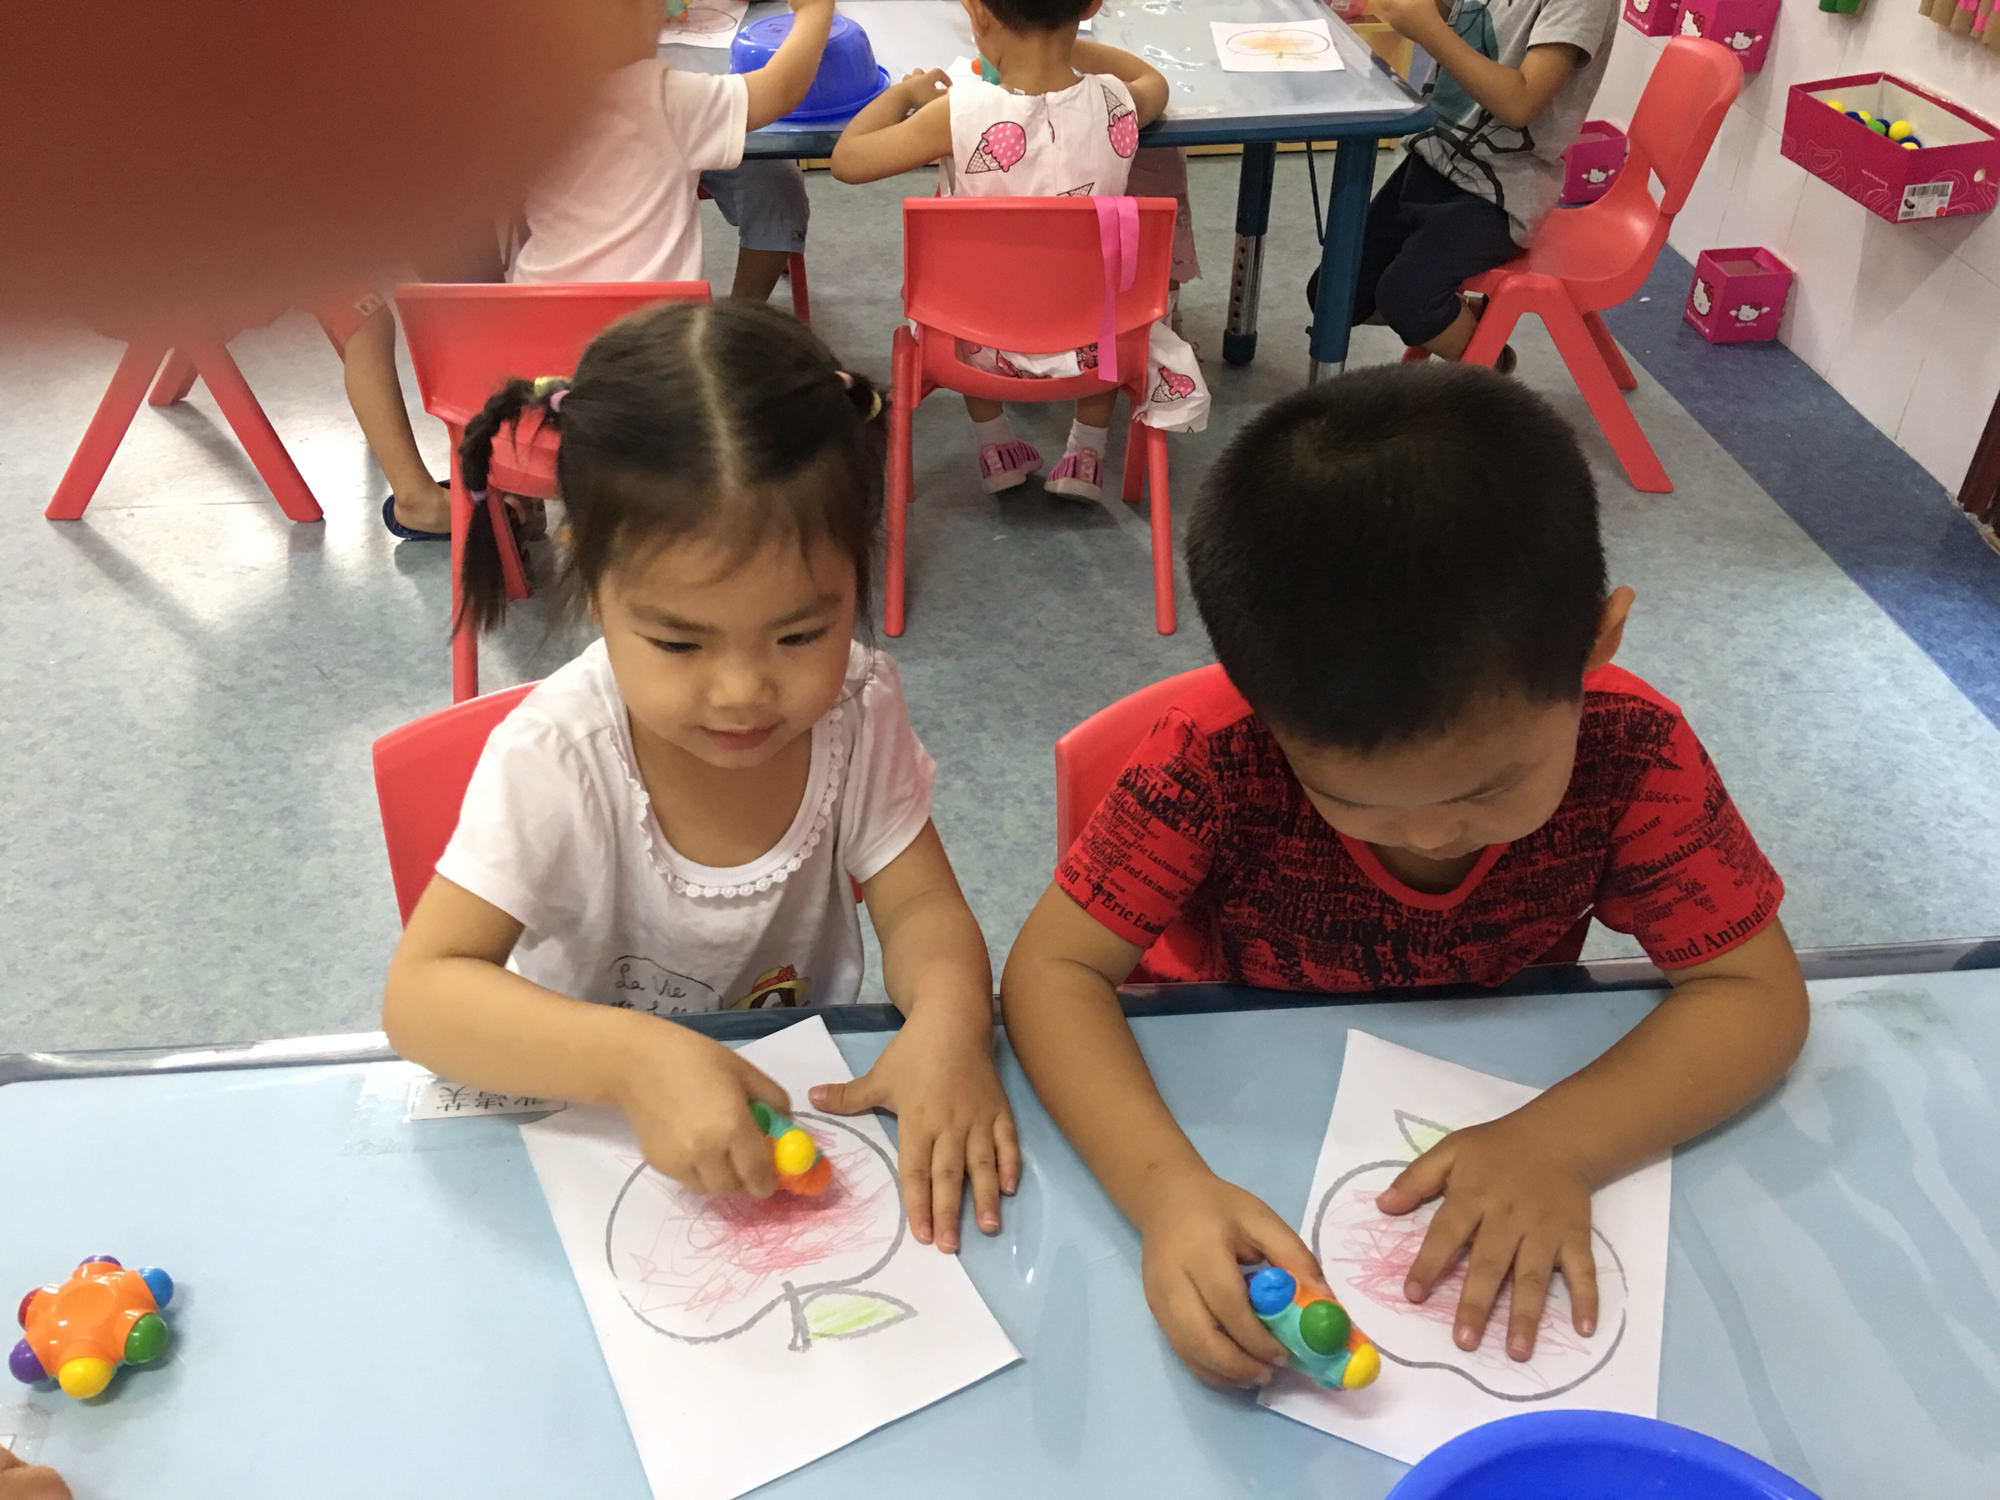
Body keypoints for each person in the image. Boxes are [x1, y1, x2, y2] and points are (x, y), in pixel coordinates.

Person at [999, 364, 1809, 1386]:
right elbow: (1051, 972)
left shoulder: (1631, 750)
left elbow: (1753, 992)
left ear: (1594, 646)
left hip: (1495, 1084)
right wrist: (1164, 1193)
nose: (1430, 835)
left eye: (1490, 787)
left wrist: (1564, 1141)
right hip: (1235, 1096)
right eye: (1356, 801)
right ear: (1258, 706)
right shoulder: (1211, 756)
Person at [381, 300, 1017, 1253]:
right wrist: (632, 1062)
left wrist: (950, 1022)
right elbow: (422, 995)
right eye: (679, 642)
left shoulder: (855, 708)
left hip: (792, 1113)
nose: (742, 692)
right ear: (594, 587)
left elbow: (921, 907)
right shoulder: (558, 755)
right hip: (587, 1130)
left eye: (800, 634)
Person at [829, 0, 1207, 503]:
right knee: (1105, 297)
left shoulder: (956, 113)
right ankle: (1086, 453)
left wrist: (902, 93)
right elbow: (1154, 80)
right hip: (1097, 347)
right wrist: (1068, 46)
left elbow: (848, 160)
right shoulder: (1118, 102)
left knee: (968, 289)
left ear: (977, 13)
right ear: (1091, 6)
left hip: (975, 349)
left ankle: (995, 447)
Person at [1333, 0, 1620, 365]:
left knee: (1407, 299)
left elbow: (1521, 103)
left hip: (1500, 192)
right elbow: (1444, 9)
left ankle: (1490, 369)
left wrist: (1428, 30)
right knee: (1335, 292)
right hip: (1434, 160)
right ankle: (1468, 322)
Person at [509, 0, 832, 289]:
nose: (664, 20)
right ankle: (732, 328)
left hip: (538, 306)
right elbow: (780, 90)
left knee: (775, 182)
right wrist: (814, 11)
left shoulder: (522, 104)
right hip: (655, 323)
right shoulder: (664, 98)